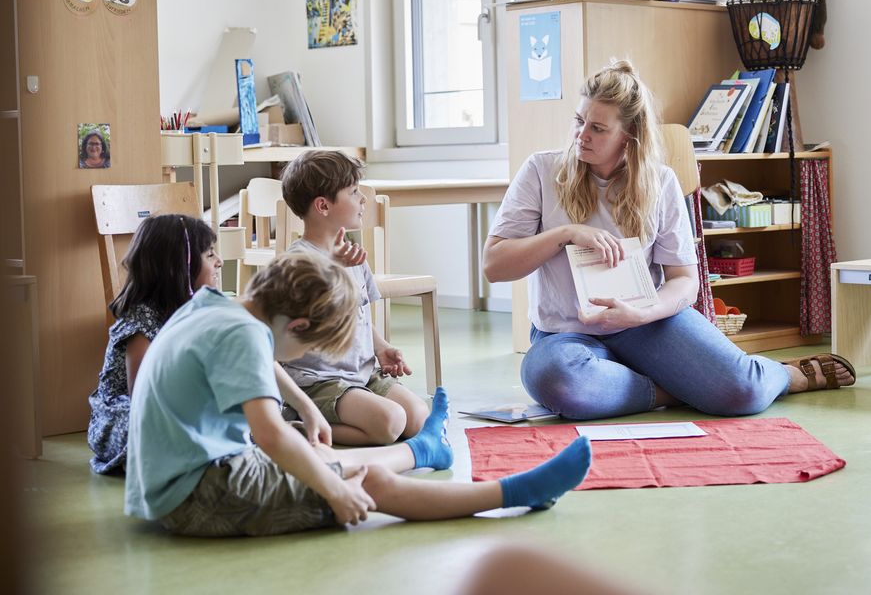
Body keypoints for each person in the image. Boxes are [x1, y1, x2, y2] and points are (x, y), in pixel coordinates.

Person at [483, 59, 854, 421]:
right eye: (579, 121)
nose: (582, 135)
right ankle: (676, 389)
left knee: (744, 391)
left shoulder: (659, 182)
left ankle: (785, 375)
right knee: (558, 383)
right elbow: (494, 265)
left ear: (629, 136)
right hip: (565, 334)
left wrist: (641, 313)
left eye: (598, 128)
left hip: (645, 323)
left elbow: (685, 281)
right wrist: (565, 234)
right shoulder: (540, 170)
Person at [124, 251, 593, 537]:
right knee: (364, 482)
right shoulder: (245, 335)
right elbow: (269, 433)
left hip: (178, 475)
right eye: (307, 346)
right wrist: (332, 490)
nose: (298, 355)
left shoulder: (222, 304)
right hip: (195, 496)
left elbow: (266, 360)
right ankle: (515, 493)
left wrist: (307, 405)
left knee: (321, 455)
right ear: (300, 325)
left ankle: (423, 450)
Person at [87, 214, 330, 475]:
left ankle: (252, 438)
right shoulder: (142, 319)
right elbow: (145, 402)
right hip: (136, 418)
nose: (219, 262)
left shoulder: (208, 305)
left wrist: (306, 407)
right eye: (210, 255)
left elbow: (260, 358)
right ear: (179, 266)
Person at [278, 149, 429, 445]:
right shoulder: (298, 262)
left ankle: (339, 419)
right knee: (390, 423)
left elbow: (359, 315)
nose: (363, 199)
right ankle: (297, 425)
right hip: (318, 381)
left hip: (362, 373)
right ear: (323, 205)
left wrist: (382, 348)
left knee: (417, 417)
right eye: (354, 191)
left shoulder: (352, 253)